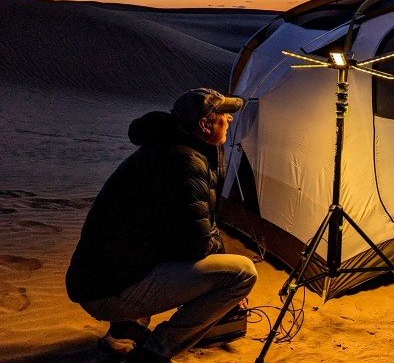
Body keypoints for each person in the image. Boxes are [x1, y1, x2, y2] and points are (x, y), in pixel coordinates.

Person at [66, 88, 258, 363]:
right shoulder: (184, 160)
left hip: (100, 279)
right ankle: (155, 351)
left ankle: (123, 332)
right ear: (204, 124)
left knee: (193, 258)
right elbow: (197, 242)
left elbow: (189, 228)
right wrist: (219, 271)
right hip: (108, 289)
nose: (229, 119)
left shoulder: (171, 147)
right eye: (222, 115)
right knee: (242, 274)